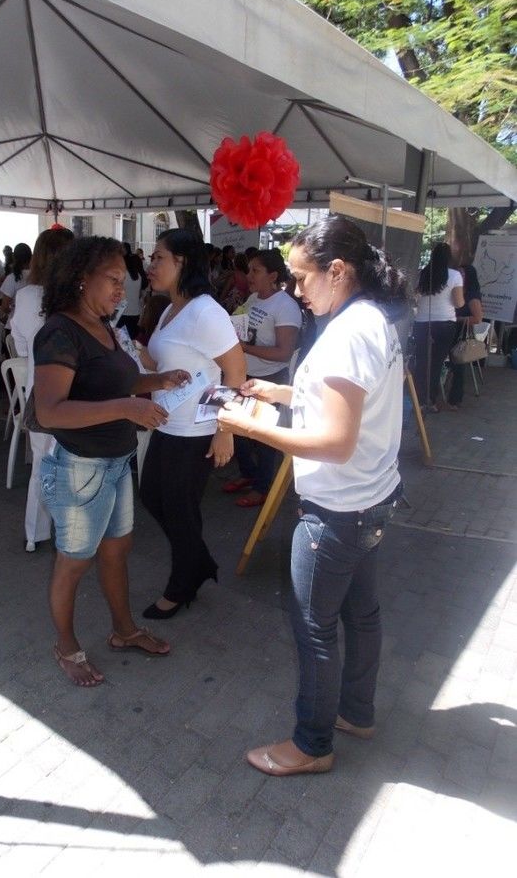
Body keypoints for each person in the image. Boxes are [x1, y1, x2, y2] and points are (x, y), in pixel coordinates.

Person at [217, 215, 407, 777]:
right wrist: (285, 392)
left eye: (303, 278)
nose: (297, 291)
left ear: (339, 271)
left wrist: (251, 427)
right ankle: (355, 712)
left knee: (316, 628)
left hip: (338, 511)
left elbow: (334, 441)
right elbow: (350, 400)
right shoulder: (371, 318)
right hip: (372, 499)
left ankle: (311, 744)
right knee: (361, 613)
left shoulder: (349, 333)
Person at [32, 235, 190, 686]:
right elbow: (50, 411)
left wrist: (158, 380)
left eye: (125, 281)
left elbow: (113, 384)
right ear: (81, 280)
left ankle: (123, 631)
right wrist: (126, 408)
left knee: (117, 553)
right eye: (114, 280)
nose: (122, 290)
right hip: (81, 468)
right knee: (74, 561)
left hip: (117, 462)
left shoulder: (102, 325)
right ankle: (66, 646)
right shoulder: (60, 332)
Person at [138, 229, 246, 618]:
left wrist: (225, 429)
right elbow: (164, 363)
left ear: (183, 262)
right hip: (167, 423)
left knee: (181, 511)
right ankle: (198, 563)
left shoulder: (205, 311)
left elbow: (235, 372)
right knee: (152, 495)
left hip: (196, 430)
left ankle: (181, 585)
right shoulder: (170, 308)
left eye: (158, 258)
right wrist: (137, 353)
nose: (151, 266)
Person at [11, 225, 74, 552]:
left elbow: (20, 346)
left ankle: (36, 534)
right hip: (79, 391)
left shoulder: (25, 296)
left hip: (41, 390)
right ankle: (74, 530)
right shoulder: (78, 296)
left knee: (41, 463)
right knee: (78, 462)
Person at [227, 248, 301, 507]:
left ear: (273, 276)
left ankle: (263, 486)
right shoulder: (254, 299)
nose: (249, 275)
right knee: (239, 430)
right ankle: (249, 474)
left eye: (255, 271)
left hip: (271, 379)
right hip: (247, 374)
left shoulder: (286, 307)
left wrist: (245, 348)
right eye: (248, 270)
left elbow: (283, 353)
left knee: (265, 436)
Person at [412, 242, 464, 412]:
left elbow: (416, 297)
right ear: (449, 258)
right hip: (445, 324)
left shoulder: (423, 274)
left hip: (421, 323)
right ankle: (430, 401)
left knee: (421, 361)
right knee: (436, 364)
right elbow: (458, 302)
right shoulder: (455, 276)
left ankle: (417, 399)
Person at [447, 264, 483, 409]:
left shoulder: (472, 295)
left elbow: (478, 318)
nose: (459, 276)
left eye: (462, 274)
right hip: (452, 330)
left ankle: (455, 399)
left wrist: (458, 319)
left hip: (461, 333)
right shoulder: (457, 290)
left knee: (458, 367)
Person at [117, 243, 148, 338]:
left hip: (122, 312)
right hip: (135, 312)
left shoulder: (122, 276)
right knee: (132, 341)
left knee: (121, 342)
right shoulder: (138, 276)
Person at [0, 242, 32, 320]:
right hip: (35, 320)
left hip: (16, 321)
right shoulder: (39, 276)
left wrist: (13, 310)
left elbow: (4, 306)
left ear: (14, 257)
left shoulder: (12, 278)